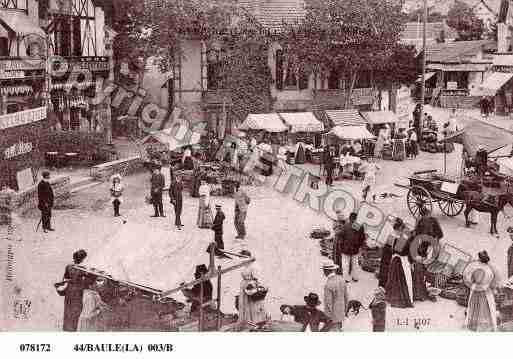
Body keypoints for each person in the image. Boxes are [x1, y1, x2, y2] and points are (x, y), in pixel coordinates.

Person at [466, 251, 500, 331]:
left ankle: (474, 326)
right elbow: (495, 281)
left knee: (476, 308)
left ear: (480, 259)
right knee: (487, 310)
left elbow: (473, 279)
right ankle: (485, 327)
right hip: (487, 291)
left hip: (477, 290)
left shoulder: (477, 268)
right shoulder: (492, 268)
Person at [57, 249, 87, 331]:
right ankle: (72, 330)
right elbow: (88, 281)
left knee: (68, 311)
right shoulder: (83, 269)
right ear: (82, 259)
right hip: (77, 293)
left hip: (69, 292)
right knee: (75, 312)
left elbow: (65, 278)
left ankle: (67, 329)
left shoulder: (69, 267)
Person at [385, 227, 414, 308]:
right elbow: (410, 254)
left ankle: (392, 297)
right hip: (403, 261)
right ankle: (404, 299)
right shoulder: (409, 242)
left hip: (395, 261)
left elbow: (392, 250)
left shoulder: (396, 239)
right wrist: (411, 263)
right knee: (406, 280)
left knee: (394, 280)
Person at [336, 212, 365, 283]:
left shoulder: (346, 226)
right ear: (356, 219)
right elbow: (362, 237)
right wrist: (359, 246)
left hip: (346, 249)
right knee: (355, 263)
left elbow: (340, 235)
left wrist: (341, 246)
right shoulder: (359, 226)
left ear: (349, 218)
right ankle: (355, 277)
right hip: (355, 248)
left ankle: (346, 278)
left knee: (345, 264)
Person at [322, 259, 348, 331]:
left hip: (332, 317)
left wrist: (328, 317)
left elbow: (328, 303)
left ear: (326, 271)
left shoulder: (328, 284)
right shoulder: (342, 280)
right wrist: (344, 311)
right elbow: (346, 297)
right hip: (341, 313)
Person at [378, 218, 404, 288]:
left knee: (384, 270)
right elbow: (393, 249)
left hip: (386, 255)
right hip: (388, 256)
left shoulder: (391, 234)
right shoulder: (395, 236)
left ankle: (382, 285)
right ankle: (384, 286)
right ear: (399, 228)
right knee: (386, 271)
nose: (402, 230)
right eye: (401, 228)